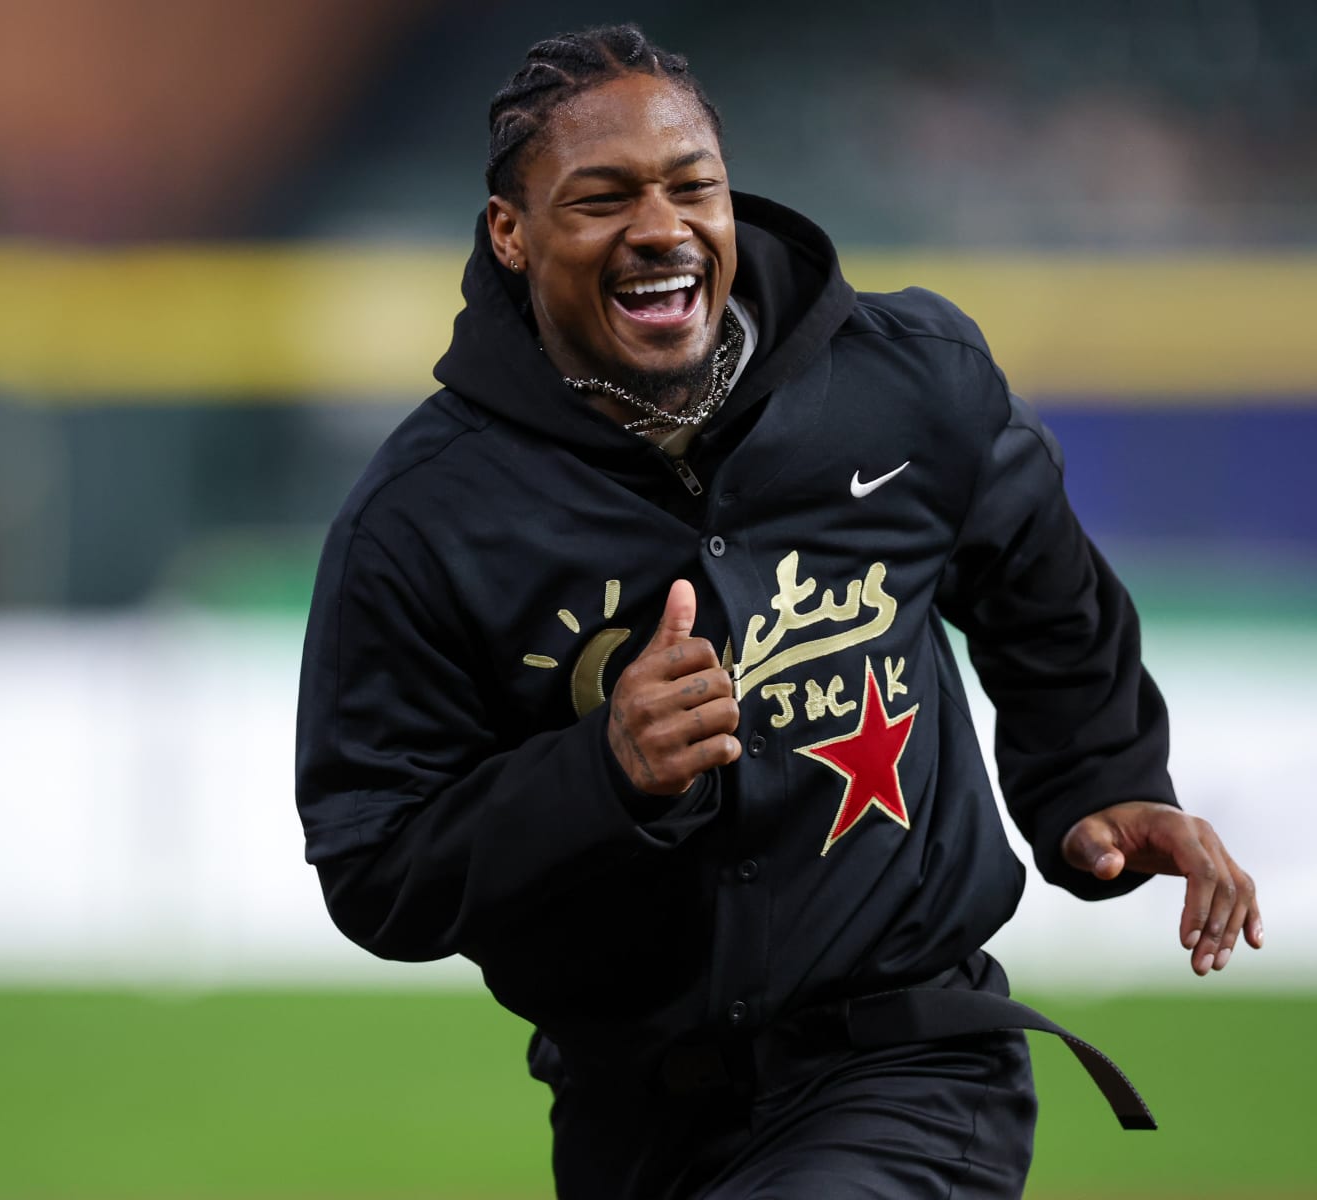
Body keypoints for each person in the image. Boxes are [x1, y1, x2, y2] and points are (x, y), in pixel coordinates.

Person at [295, 23, 1264, 1199]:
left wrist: (1102, 779)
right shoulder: (422, 517)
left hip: (910, 1071)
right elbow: (377, 869)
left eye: (690, 185)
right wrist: (605, 773)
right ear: (511, 233)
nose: (661, 227)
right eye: (602, 198)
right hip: (628, 1121)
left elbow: (1043, 595)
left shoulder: (909, 381)